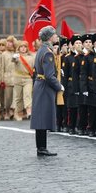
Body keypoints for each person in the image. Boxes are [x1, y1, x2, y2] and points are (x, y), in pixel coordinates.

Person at [30, 26, 64, 157]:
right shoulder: (48, 53)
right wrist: (59, 86)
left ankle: (41, 147)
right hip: (45, 87)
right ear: (50, 37)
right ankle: (42, 148)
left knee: (40, 118)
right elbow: (49, 76)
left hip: (40, 85)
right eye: (54, 34)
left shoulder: (41, 50)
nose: (56, 36)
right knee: (42, 118)